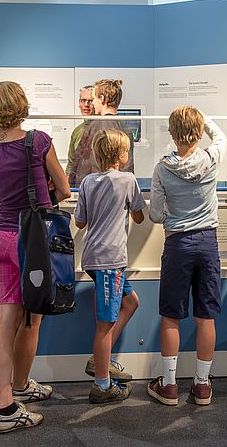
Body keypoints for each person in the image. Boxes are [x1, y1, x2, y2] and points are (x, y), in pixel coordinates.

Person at [0, 81, 71, 433]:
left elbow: (6, 192)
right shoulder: (39, 141)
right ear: (22, 105)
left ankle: (8, 403)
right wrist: (47, 189)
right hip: (31, 243)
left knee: (5, 322)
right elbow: (63, 189)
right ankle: (17, 391)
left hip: (2, 239)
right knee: (31, 321)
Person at [147, 106, 226, 406]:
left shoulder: (162, 168)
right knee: (206, 317)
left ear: (171, 132)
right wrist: (203, 119)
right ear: (198, 130)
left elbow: (155, 214)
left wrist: (171, 215)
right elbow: (220, 137)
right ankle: (202, 385)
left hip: (178, 244)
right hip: (208, 242)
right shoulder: (211, 157)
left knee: (171, 317)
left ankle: (168, 385)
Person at [74, 129, 146, 404]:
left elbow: (80, 222)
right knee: (105, 324)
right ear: (121, 155)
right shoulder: (128, 180)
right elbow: (139, 217)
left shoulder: (88, 182)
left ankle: (99, 359)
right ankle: (102, 385)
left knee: (131, 303)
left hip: (95, 257)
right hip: (110, 261)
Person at [68, 79, 134, 188]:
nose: (92, 103)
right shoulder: (125, 128)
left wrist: (76, 188)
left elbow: (84, 164)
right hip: (119, 189)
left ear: (102, 99)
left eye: (93, 99)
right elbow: (128, 165)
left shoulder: (95, 127)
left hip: (95, 189)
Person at [65, 85, 95, 179]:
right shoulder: (77, 131)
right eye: (83, 100)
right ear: (79, 104)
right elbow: (71, 163)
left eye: (90, 101)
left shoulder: (103, 127)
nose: (86, 104)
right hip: (80, 183)